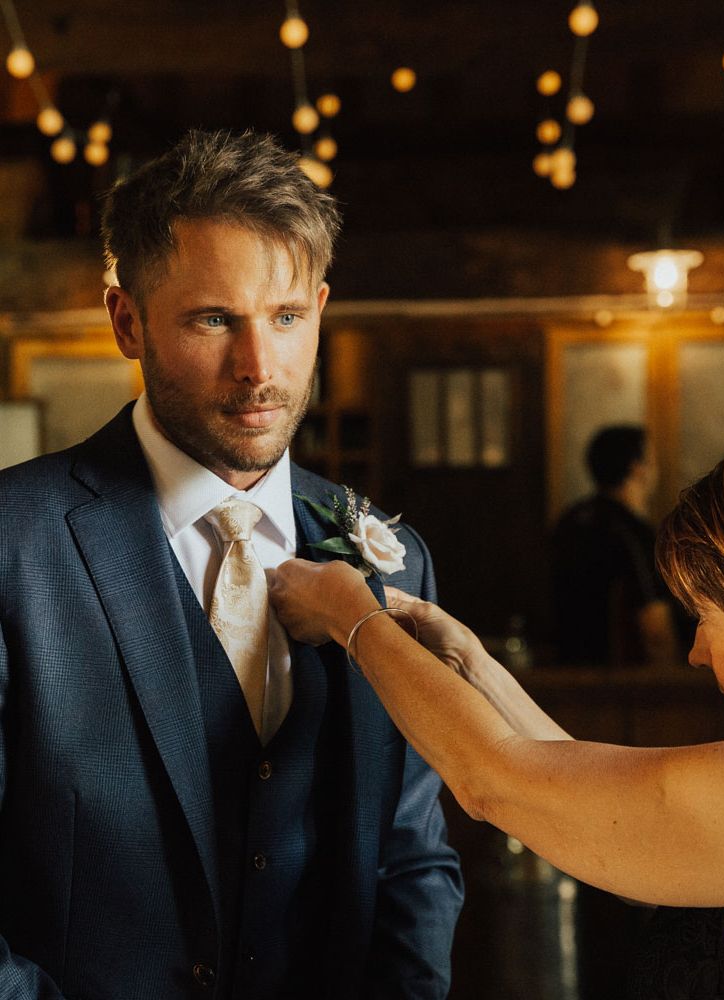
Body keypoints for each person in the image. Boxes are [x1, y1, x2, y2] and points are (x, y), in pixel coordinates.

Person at [270, 426, 724, 999]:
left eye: (705, 621)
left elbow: (498, 783)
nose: (698, 654)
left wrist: (350, 617)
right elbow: (576, 794)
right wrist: (470, 660)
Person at [0, 129, 461, 999]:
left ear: (319, 308)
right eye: (213, 319)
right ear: (127, 321)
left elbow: (410, 855)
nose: (258, 368)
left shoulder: (395, 558)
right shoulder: (11, 543)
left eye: (285, 318)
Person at [551, 425, 687, 668]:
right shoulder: (631, 531)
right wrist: (673, 679)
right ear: (637, 468)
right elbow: (654, 627)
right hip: (623, 676)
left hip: (562, 666)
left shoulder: (569, 520)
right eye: (653, 459)